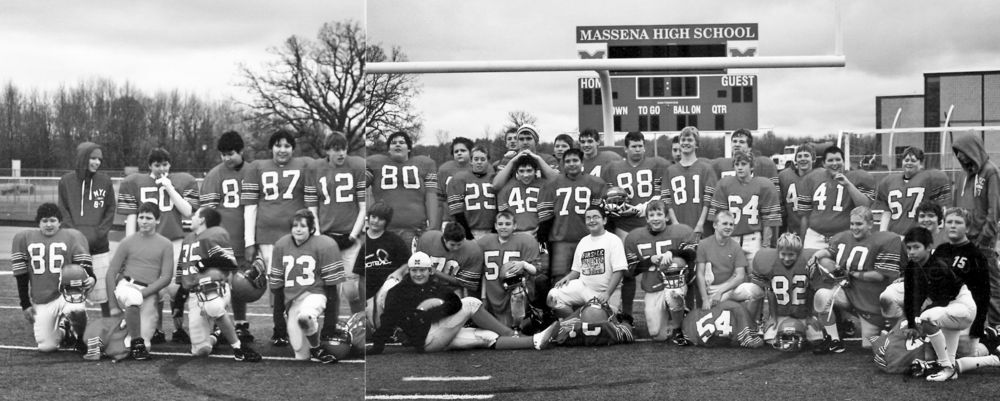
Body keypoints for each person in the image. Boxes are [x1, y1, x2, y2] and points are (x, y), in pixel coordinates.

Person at [368, 251, 559, 354]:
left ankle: (534, 341)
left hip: (439, 333)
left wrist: (431, 315)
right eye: (415, 270)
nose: (419, 274)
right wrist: (377, 346)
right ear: (408, 271)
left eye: (422, 270)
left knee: (487, 337)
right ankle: (512, 334)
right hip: (426, 340)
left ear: (430, 270)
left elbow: (453, 303)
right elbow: (388, 319)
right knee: (471, 302)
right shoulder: (398, 292)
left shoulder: (434, 285)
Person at [117, 147, 198, 344]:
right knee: (153, 290)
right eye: (157, 165)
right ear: (149, 166)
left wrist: (169, 187)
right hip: (148, 245)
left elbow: (188, 211)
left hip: (174, 242)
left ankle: (179, 328)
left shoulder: (182, 181)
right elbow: (131, 216)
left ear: (170, 164)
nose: (161, 168)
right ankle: (157, 329)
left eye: (164, 164)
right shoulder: (135, 182)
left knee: (176, 289)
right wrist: (130, 245)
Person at [242, 129, 313, 346]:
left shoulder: (305, 165)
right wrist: (249, 241)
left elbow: (311, 202)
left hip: (297, 235)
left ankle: (298, 323)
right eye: (278, 145)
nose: (282, 150)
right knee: (277, 283)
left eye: (287, 146)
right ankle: (279, 328)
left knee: (297, 280)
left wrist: (314, 232)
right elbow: (250, 207)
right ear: (271, 147)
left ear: (293, 148)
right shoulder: (257, 167)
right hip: (268, 234)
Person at [810, 206, 902, 353]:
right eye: (852, 224)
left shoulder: (885, 241)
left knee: (868, 346)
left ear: (871, 224)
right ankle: (835, 340)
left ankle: (889, 330)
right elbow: (830, 252)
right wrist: (817, 256)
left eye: (859, 224)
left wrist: (852, 274)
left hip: (871, 302)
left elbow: (879, 275)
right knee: (822, 296)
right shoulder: (843, 238)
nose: (854, 227)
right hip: (850, 295)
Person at [176, 207, 261, 362]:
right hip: (195, 294)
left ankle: (238, 347)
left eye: (195, 215)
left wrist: (205, 263)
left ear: (202, 220)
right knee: (201, 350)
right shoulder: (188, 239)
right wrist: (179, 298)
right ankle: (217, 335)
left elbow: (229, 262)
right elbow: (183, 271)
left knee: (213, 306)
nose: (192, 218)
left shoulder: (215, 234)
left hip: (215, 288)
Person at [602, 131, 672, 318]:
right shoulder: (612, 168)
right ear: (625, 148)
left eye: (640, 145)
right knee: (626, 272)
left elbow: (661, 194)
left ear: (645, 146)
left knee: (664, 268)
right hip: (624, 228)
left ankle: (670, 310)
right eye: (633, 146)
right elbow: (609, 198)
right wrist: (616, 209)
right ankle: (627, 314)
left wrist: (639, 209)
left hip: (651, 227)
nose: (637, 149)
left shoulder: (657, 164)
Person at [304, 132, 367, 339]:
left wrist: (353, 234)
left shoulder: (357, 165)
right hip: (327, 237)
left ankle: (360, 326)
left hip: (350, 236)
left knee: (352, 289)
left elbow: (363, 206)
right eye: (336, 149)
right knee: (332, 289)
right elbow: (312, 206)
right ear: (327, 150)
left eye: (344, 148)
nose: (341, 153)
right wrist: (320, 235)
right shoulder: (315, 168)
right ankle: (331, 327)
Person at [11, 203, 94, 352]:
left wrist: (91, 277)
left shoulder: (72, 236)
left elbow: (83, 266)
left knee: (76, 308)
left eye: (53, 220)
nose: (49, 224)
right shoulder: (24, 238)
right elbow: (21, 275)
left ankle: (81, 337)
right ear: (38, 222)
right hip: (42, 298)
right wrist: (25, 304)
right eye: (44, 221)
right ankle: (64, 330)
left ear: (60, 222)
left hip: (67, 293)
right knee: (46, 347)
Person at [268, 209, 344, 363]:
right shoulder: (281, 245)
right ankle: (312, 345)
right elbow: (277, 287)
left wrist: (330, 324)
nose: (298, 229)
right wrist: (278, 320)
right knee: (301, 356)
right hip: (293, 301)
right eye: (295, 225)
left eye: (303, 226)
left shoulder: (324, 245)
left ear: (311, 228)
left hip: (315, 294)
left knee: (305, 316)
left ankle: (317, 348)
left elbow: (332, 288)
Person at [901, 226, 976, 381]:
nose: (912, 251)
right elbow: (910, 297)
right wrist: (911, 324)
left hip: (961, 306)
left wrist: (919, 320)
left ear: (929, 247)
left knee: (927, 318)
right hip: (948, 308)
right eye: (909, 247)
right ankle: (993, 359)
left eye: (916, 247)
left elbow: (943, 299)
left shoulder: (939, 266)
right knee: (952, 361)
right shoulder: (912, 266)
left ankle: (945, 367)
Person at [199, 130, 254, 342]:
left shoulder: (253, 171)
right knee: (218, 282)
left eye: (230, 153)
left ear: (241, 151)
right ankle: (217, 325)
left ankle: (241, 323)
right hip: (221, 240)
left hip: (245, 237)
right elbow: (207, 213)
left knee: (242, 284)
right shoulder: (215, 174)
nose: (226, 158)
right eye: (223, 154)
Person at [107, 202, 175, 360]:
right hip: (126, 287)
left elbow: (166, 277)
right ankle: (127, 332)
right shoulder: (127, 241)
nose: (144, 221)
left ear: (157, 220)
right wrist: (112, 306)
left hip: (148, 293)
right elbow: (111, 272)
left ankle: (128, 330)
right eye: (141, 217)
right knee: (132, 297)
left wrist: (144, 293)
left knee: (146, 345)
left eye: (149, 218)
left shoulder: (165, 244)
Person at [623, 199, 696, 343]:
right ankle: (674, 314)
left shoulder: (680, 231)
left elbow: (691, 254)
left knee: (674, 286)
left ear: (667, 217)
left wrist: (672, 252)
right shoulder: (635, 237)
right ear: (647, 218)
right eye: (651, 215)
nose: (655, 218)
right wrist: (649, 260)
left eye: (659, 214)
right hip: (653, 286)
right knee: (657, 334)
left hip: (675, 284)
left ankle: (677, 327)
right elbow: (631, 271)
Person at [733, 233, 824, 348]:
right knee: (771, 340)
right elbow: (770, 292)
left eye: (791, 255)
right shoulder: (768, 261)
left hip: (803, 313)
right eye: (783, 254)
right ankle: (750, 326)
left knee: (817, 340)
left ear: (799, 253)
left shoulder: (809, 260)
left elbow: (811, 290)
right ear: (777, 251)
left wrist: (810, 316)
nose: (786, 258)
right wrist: (773, 317)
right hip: (781, 312)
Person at [57, 141, 115, 318]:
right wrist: (75, 236)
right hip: (73, 248)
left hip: (99, 246)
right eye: (93, 158)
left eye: (99, 159)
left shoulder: (105, 181)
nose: (97, 162)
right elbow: (63, 209)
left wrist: (100, 233)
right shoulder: (66, 181)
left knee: (103, 293)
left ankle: (107, 326)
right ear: (83, 158)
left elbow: (110, 209)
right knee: (72, 292)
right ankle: (71, 328)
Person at [537, 148, 607, 285]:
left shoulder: (595, 183)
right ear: (563, 164)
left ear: (582, 162)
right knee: (559, 279)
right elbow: (545, 217)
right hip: (561, 240)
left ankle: (589, 306)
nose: (571, 163)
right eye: (567, 161)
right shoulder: (552, 184)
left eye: (575, 160)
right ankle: (560, 306)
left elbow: (599, 215)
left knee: (591, 277)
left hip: (589, 239)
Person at [952, 132, 1000, 327]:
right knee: (971, 284)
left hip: (983, 241)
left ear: (972, 149)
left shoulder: (990, 171)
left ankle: (996, 325)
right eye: (957, 153)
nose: (960, 157)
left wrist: (985, 237)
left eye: (962, 152)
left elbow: (994, 209)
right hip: (967, 239)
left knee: (991, 283)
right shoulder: (966, 174)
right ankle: (980, 325)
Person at [547, 206, 628, 318]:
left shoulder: (613, 240)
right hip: (584, 287)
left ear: (604, 220)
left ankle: (616, 315)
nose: (592, 220)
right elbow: (576, 270)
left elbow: (619, 271)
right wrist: (568, 278)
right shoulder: (583, 242)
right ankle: (573, 322)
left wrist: (607, 293)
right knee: (553, 296)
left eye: (596, 217)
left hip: (605, 292)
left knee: (596, 322)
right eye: (588, 218)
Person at [930, 208, 991, 351]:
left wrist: (977, 326)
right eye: (949, 222)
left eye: (958, 222)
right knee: (934, 353)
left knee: (963, 355)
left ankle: (991, 344)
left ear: (967, 228)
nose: (952, 225)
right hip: (942, 309)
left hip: (965, 315)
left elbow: (984, 294)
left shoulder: (976, 255)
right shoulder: (941, 250)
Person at [366, 130, 439, 248]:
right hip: (383, 230)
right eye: (393, 143)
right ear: (389, 149)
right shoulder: (375, 163)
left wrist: (433, 225)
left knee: (412, 264)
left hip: (415, 229)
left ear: (409, 149)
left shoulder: (425, 164)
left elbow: (431, 196)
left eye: (402, 142)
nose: (397, 144)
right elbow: (358, 186)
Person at [710, 149, 782, 263]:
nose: (739, 167)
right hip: (730, 237)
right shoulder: (724, 184)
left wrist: (765, 246)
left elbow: (769, 221)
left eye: (743, 164)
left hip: (753, 238)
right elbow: (718, 219)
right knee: (731, 276)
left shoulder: (764, 185)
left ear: (752, 167)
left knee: (756, 276)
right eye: (736, 164)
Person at [797, 145, 875, 250]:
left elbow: (864, 206)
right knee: (810, 265)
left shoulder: (855, 178)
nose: (834, 163)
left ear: (844, 161)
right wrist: (801, 241)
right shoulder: (812, 178)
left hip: (844, 237)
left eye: (838, 159)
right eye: (830, 160)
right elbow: (805, 216)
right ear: (824, 163)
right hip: (815, 237)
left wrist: (848, 184)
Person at [476, 211, 541, 328]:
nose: (503, 227)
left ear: (514, 226)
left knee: (518, 294)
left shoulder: (525, 241)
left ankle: (517, 327)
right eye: (500, 224)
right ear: (495, 226)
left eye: (507, 224)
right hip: (493, 290)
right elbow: (481, 272)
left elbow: (536, 270)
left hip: (514, 289)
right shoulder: (484, 242)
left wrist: (523, 264)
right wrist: (483, 296)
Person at [874, 147, 952, 235]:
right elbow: (887, 211)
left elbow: (942, 208)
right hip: (895, 235)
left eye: (913, 160)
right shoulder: (888, 182)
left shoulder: (931, 178)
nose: (909, 163)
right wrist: (883, 234)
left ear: (921, 163)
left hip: (920, 236)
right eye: (906, 160)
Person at [359, 202, 411, 328]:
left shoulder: (393, 239)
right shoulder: (362, 241)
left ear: (386, 222)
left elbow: (409, 262)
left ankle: (395, 326)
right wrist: (364, 301)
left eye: (381, 219)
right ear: (369, 217)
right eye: (373, 217)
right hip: (370, 291)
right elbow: (360, 276)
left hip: (387, 284)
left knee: (388, 290)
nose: (376, 221)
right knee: (374, 325)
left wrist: (399, 272)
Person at [663, 126, 717, 240]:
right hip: (677, 225)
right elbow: (667, 201)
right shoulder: (670, 171)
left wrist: (700, 224)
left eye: (690, 140)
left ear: (696, 144)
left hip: (701, 227)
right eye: (683, 140)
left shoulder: (706, 169)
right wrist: (675, 224)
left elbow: (709, 200)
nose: (686, 143)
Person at [696, 210, 749, 310]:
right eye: (725, 223)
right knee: (712, 311)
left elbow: (740, 276)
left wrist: (721, 292)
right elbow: (700, 274)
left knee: (755, 291)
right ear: (715, 225)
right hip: (712, 289)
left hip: (730, 287)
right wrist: (705, 299)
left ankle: (751, 323)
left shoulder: (735, 246)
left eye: (731, 224)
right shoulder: (704, 244)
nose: (728, 227)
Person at [414, 223, 485, 297]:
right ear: (444, 239)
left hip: (453, 289)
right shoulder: (428, 239)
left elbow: (465, 283)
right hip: (428, 286)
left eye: (459, 244)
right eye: (452, 245)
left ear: (464, 239)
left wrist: (435, 272)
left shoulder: (473, 250)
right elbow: (417, 270)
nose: (456, 248)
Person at [447, 146, 497, 239]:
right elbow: (457, 211)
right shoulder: (459, 179)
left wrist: (495, 229)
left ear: (488, 161)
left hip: (492, 230)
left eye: (483, 159)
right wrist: (467, 234)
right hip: (470, 229)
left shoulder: (494, 179)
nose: (479, 162)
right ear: (471, 161)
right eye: (476, 159)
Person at [496, 155, 550, 234]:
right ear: (516, 171)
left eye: (529, 170)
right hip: (514, 235)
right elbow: (503, 216)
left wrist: (540, 232)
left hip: (538, 234)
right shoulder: (506, 188)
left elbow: (547, 216)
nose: (525, 175)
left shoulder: (544, 186)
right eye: (521, 171)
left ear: (535, 171)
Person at [711, 129, 779, 190]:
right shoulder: (720, 164)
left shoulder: (763, 164)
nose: (737, 144)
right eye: (734, 141)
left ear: (749, 147)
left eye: (741, 142)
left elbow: (774, 193)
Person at [777, 144, 814, 238]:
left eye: (806, 155)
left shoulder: (820, 176)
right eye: (799, 156)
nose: (803, 159)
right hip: (792, 230)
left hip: (815, 232)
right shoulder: (784, 176)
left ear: (813, 159)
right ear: (795, 160)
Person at [437, 137, 475, 228]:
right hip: (449, 219)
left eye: (463, 150)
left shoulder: (477, 168)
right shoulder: (444, 170)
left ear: (471, 152)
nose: (459, 153)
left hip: (472, 219)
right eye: (456, 151)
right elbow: (439, 198)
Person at [493, 124, 559, 172]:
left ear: (536, 141)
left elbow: (556, 181)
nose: (525, 142)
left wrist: (539, 160)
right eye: (521, 139)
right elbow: (497, 185)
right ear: (518, 142)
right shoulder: (507, 160)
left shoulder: (548, 160)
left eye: (529, 138)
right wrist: (510, 161)